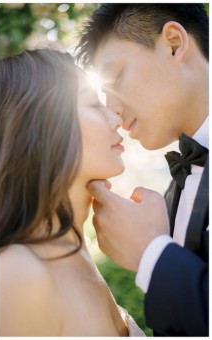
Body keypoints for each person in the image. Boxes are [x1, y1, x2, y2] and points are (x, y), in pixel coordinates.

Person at [76, 4, 208, 336]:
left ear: (174, 43)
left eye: (117, 77)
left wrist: (151, 253)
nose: (114, 111)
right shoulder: (177, 187)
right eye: (102, 97)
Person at [0, 49, 144, 336]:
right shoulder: (20, 273)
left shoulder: (76, 248)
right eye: (92, 104)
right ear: (42, 126)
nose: (116, 118)